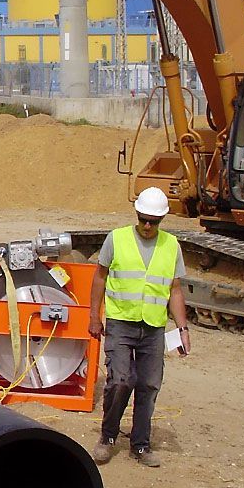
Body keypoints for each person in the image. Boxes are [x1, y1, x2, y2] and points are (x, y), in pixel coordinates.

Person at [88, 187, 190, 468]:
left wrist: (182, 329)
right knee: (121, 381)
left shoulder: (171, 246)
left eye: (153, 221)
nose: (147, 226)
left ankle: (141, 444)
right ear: (137, 214)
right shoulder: (116, 239)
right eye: (143, 219)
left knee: (148, 384)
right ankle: (108, 437)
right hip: (121, 322)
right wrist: (94, 316)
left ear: (162, 220)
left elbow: (175, 290)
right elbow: (99, 278)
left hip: (154, 327)